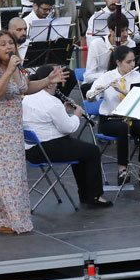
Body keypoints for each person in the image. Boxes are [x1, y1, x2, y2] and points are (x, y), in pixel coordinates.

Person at [0, 30, 67, 233]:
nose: (9, 47)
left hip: (12, 126)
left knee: (15, 173)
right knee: (0, 174)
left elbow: (24, 88)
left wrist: (47, 81)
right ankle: (2, 219)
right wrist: (8, 71)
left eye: (11, 43)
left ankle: (14, 218)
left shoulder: (16, 67)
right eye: (3, 44)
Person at [23, 65, 110, 208]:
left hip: (32, 149)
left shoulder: (28, 98)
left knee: (80, 149)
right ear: (50, 81)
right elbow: (68, 128)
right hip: (48, 149)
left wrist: (63, 111)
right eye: (57, 79)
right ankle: (94, 196)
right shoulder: (52, 102)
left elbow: (45, 121)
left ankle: (85, 194)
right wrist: (76, 115)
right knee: (92, 151)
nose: (59, 83)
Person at [86, 45, 140, 186]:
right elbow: (90, 97)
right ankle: (122, 170)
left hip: (132, 118)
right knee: (123, 128)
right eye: (128, 62)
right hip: (110, 120)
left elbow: (139, 101)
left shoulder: (137, 76)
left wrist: (121, 90)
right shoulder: (107, 76)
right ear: (118, 62)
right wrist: (94, 94)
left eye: (133, 61)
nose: (132, 65)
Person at [84, 13, 129, 85]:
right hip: (101, 83)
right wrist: (109, 75)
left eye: (126, 30)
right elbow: (88, 77)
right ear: (111, 31)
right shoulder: (96, 45)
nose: (126, 34)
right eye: (121, 31)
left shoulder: (130, 43)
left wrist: (123, 50)